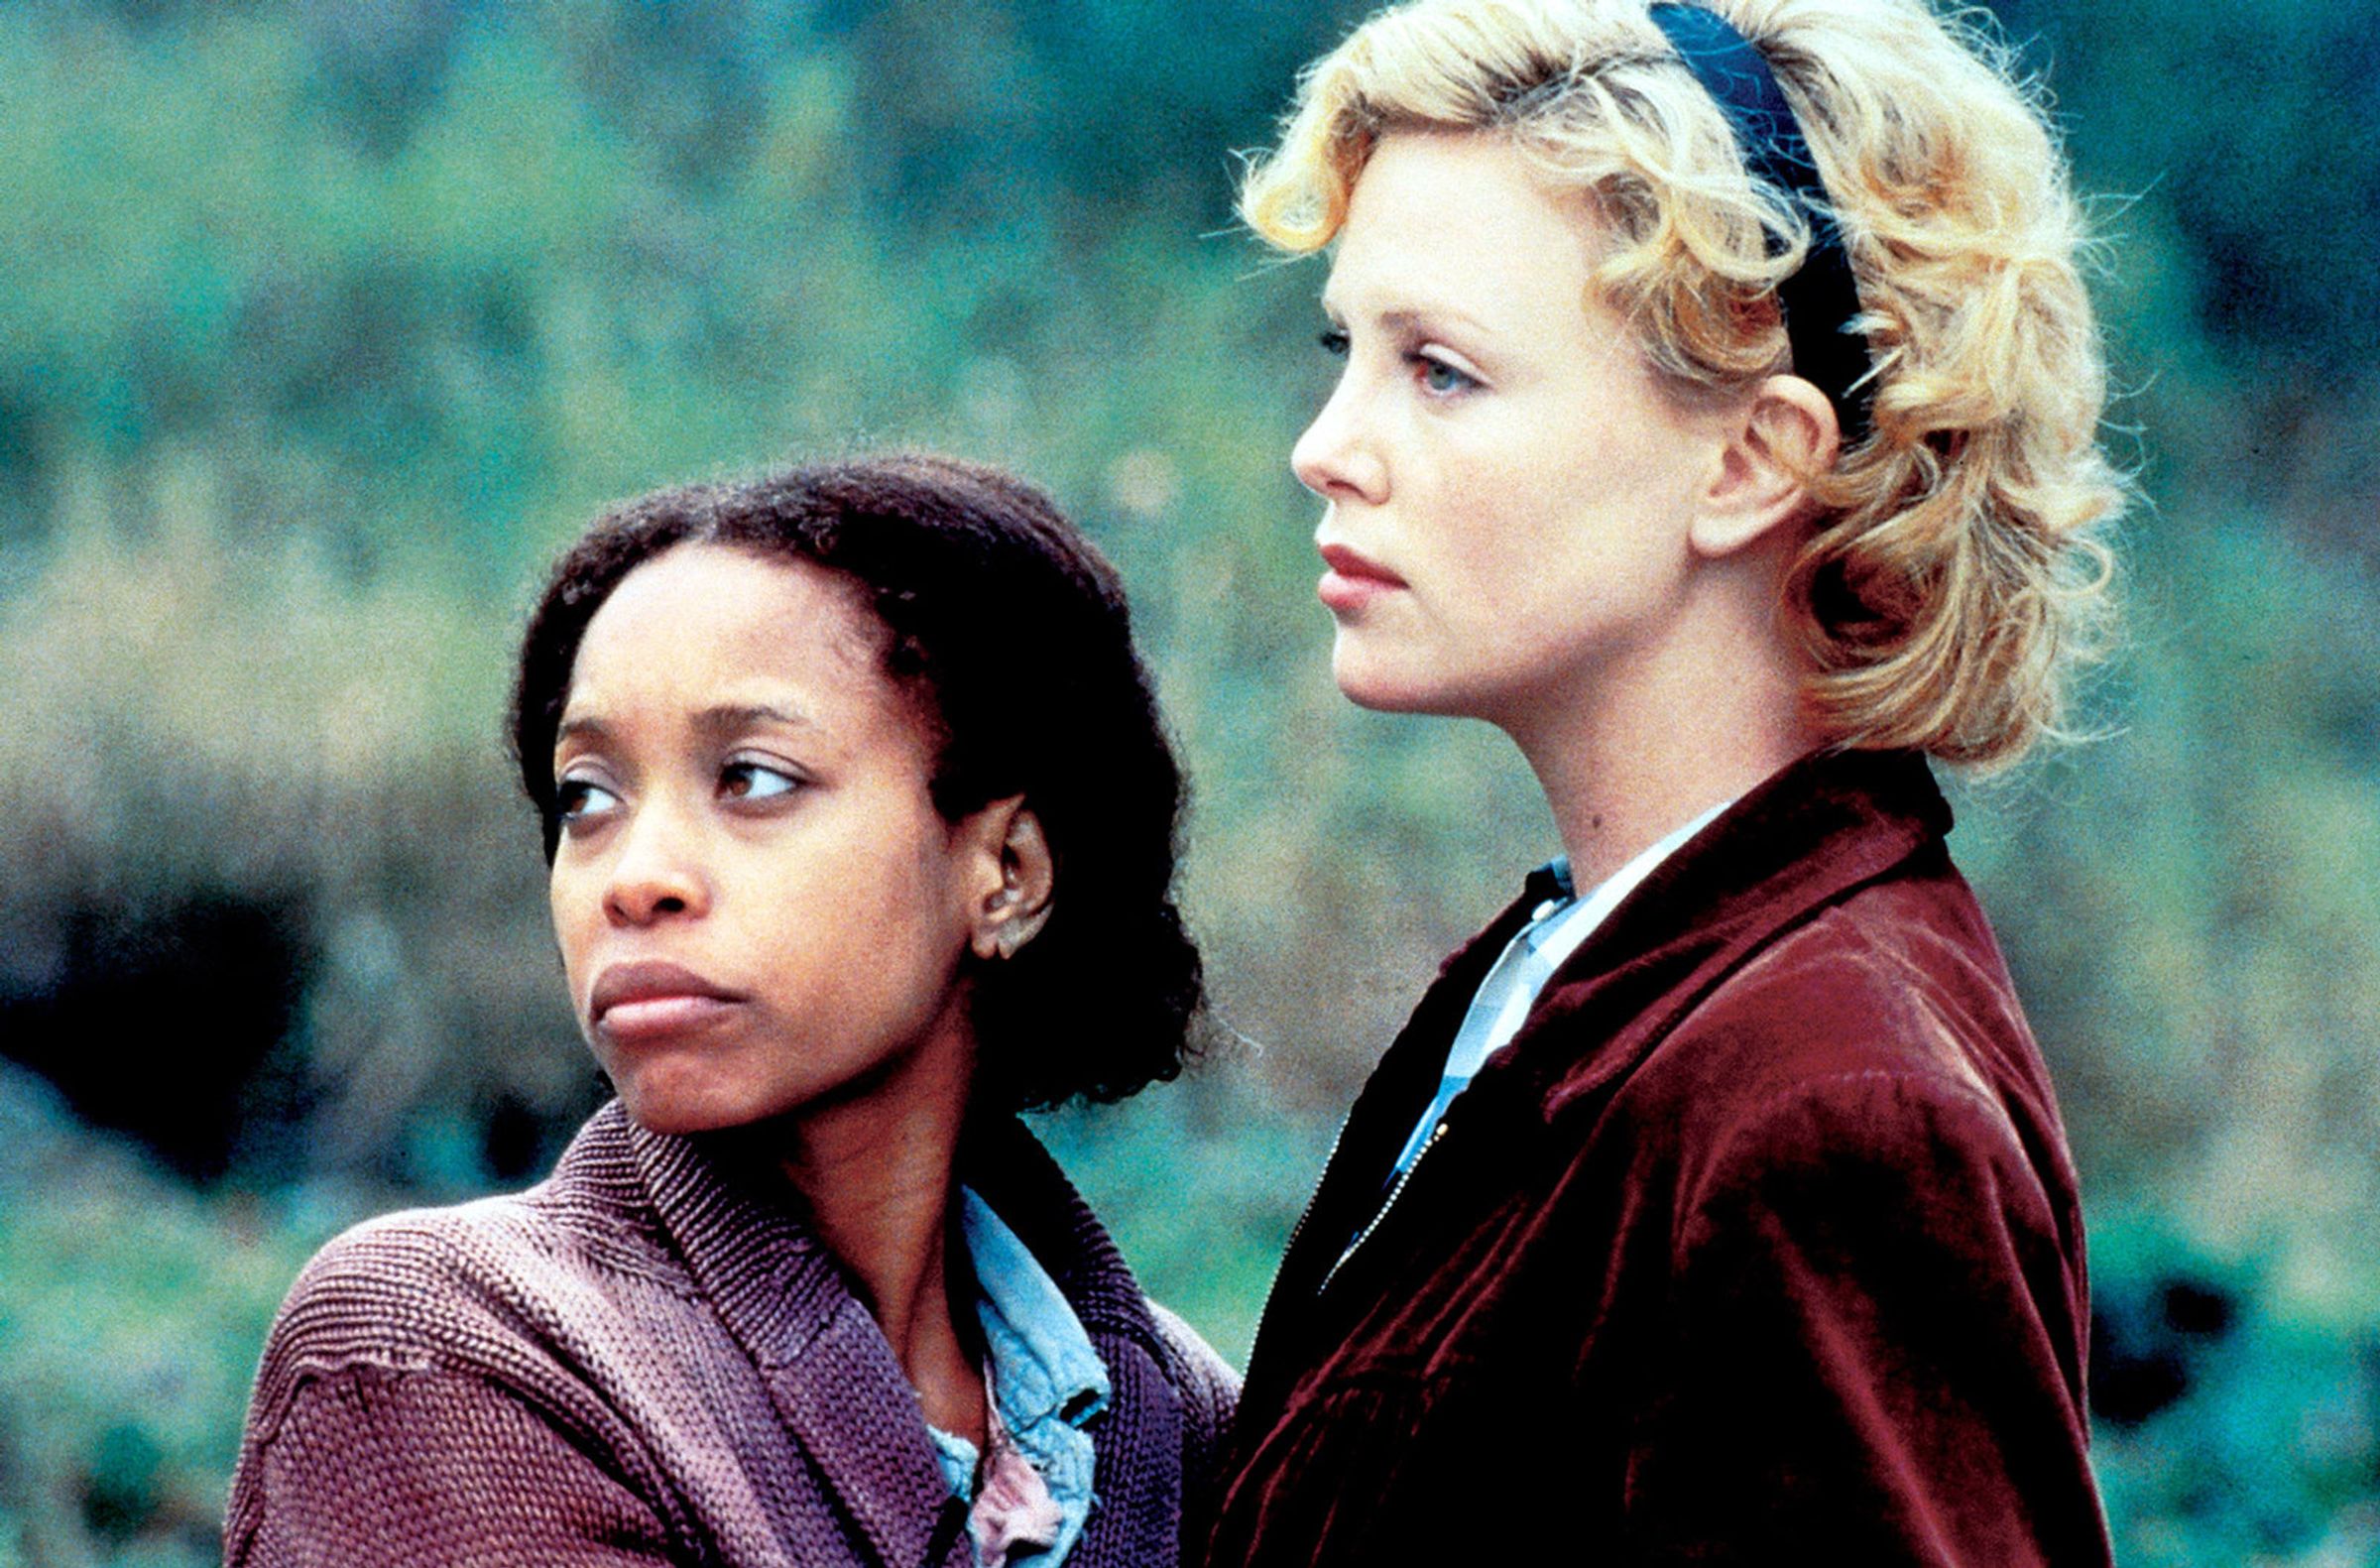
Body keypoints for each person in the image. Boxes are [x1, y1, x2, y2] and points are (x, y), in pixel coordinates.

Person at [1208, 0, 2119, 1562]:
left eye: (1440, 371)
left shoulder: (1830, 1109)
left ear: (1752, 459)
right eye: (1345, 352)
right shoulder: (1599, 973)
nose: (1327, 447)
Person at [226, 454, 1237, 1567]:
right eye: (587, 796)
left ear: (1007, 871)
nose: (634, 878)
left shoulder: (1194, 1431)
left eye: (752, 777)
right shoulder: (442, 1351)